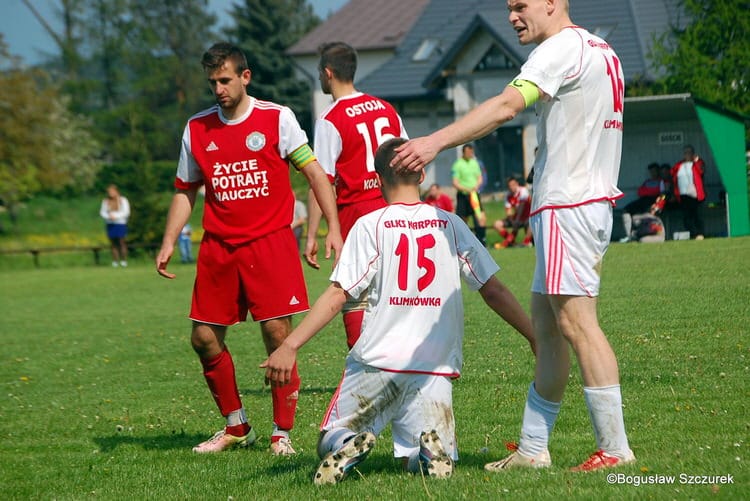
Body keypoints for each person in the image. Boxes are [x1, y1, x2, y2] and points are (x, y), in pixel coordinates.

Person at [391, 0, 635, 472]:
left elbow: (506, 105)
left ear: (553, 3)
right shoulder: (602, 48)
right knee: (548, 329)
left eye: (521, 5)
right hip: (581, 203)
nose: (512, 16)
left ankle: (615, 449)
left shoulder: (558, 48)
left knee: (577, 324)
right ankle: (532, 448)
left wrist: (433, 141)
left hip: (569, 204)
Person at [261, 137, 535, 484]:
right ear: (421, 176)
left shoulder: (371, 225)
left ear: (377, 181)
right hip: (434, 366)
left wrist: (290, 344)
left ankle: (346, 442)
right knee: (418, 456)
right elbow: (492, 289)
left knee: (328, 438)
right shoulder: (450, 224)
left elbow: (337, 294)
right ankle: (426, 455)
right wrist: (533, 334)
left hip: (378, 359)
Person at [154, 42, 342, 456]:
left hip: (270, 244)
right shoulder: (197, 128)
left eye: (225, 80)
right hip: (219, 248)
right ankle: (236, 426)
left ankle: (281, 433)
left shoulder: (277, 118)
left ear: (245, 77)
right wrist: (170, 239)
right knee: (203, 338)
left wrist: (332, 226)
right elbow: (185, 190)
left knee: (278, 337)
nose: (218, 89)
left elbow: (314, 173)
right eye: (212, 82)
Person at [306, 41, 408, 349]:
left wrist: (312, 232)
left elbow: (320, 179)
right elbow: (408, 155)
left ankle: (363, 365)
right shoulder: (386, 108)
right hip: (394, 206)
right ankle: (401, 360)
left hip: (356, 212)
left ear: (327, 73)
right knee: (393, 290)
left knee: (353, 293)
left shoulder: (330, 118)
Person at [452, 144, 486, 245]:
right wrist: (466, 189)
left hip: (474, 194)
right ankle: (462, 241)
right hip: (463, 195)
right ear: (464, 152)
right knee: (462, 219)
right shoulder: (457, 164)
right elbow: (455, 182)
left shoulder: (474, 163)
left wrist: (477, 186)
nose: (470, 154)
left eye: (471, 152)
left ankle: (482, 241)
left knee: (480, 216)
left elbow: (480, 177)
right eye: (468, 152)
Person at [619, 163, 662, 243]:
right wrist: (650, 191)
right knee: (626, 210)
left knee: (646, 213)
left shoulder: (661, 181)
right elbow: (640, 192)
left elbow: (660, 193)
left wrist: (649, 191)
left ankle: (643, 235)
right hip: (643, 200)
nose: (652, 173)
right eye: (651, 171)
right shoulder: (647, 182)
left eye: (654, 171)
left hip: (653, 201)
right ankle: (629, 236)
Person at [671, 145, 705, 240]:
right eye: (685, 152)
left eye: (689, 152)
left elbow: (701, 171)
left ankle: (700, 233)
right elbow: (673, 173)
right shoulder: (679, 164)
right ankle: (693, 233)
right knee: (687, 216)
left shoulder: (697, 163)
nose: (687, 154)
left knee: (696, 214)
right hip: (683, 195)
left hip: (695, 194)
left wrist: (697, 161)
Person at [493, 175, 532, 248]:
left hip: (528, 217)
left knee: (531, 221)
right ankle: (512, 242)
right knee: (497, 224)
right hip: (517, 218)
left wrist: (516, 221)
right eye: (509, 186)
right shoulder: (508, 195)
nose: (511, 187)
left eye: (513, 185)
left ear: (517, 184)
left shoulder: (523, 191)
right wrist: (512, 221)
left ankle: (526, 242)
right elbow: (508, 211)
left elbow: (521, 207)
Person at [99, 184, 130, 267]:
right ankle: (115, 261)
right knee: (113, 243)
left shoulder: (123, 200)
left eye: (112, 191)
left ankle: (124, 261)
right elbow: (102, 212)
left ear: (116, 191)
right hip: (110, 224)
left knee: (121, 242)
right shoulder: (106, 201)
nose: (110, 193)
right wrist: (108, 216)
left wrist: (115, 217)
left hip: (120, 223)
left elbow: (126, 212)